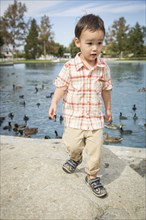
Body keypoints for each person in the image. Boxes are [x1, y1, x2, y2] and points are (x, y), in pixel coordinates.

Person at [48, 14, 112, 198]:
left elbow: (106, 89)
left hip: (94, 119)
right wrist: (54, 102)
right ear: (78, 42)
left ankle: (92, 176)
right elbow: (61, 86)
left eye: (99, 43)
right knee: (73, 145)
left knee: (95, 150)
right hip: (74, 117)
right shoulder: (69, 66)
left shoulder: (103, 67)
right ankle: (75, 158)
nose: (95, 48)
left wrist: (108, 109)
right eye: (90, 43)